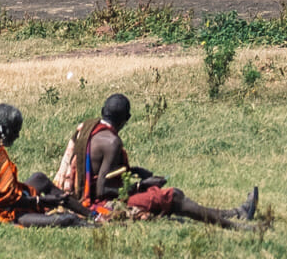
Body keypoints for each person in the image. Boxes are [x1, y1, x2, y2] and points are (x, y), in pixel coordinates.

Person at [73, 93, 258, 227]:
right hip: (101, 205)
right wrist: (140, 185)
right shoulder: (112, 142)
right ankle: (233, 224)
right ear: (127, 118)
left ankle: (233, 213)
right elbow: (102, 189)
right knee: (173, 196)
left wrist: (134, 171)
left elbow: (101, 171)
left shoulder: (90, 129)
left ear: (103, 111)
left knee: (159, 192)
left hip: (86, 197)